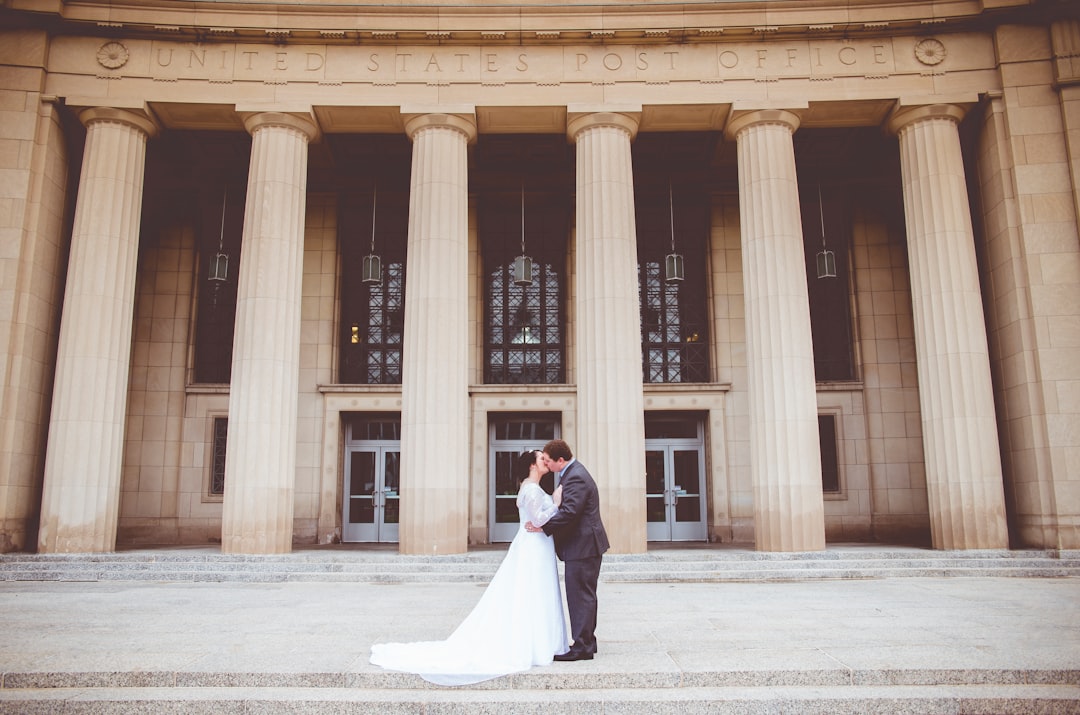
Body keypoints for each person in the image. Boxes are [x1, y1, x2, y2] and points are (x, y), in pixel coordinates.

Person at [369, 450, 568, 685]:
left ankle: (541, 640)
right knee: (533, 591)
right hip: (533, 548)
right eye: (541, 458)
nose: (546, 461)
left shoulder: (529, 486)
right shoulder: (532, 489)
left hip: (536, 546)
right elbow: (537, 521)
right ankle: (536, 642)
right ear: (532, 466)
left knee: (535, 593)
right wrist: (556, 504)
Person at [525, 439, 609, 662]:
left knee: (580, 596)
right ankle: (587, 641)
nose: (547, 464)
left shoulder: (576, 477)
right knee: (583, 595)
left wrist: (543, 526)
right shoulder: (572, 473)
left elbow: (571, 512)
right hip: (582, 545)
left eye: (549, 461)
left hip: (583, 546)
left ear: (560, 460)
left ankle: (582, 647)